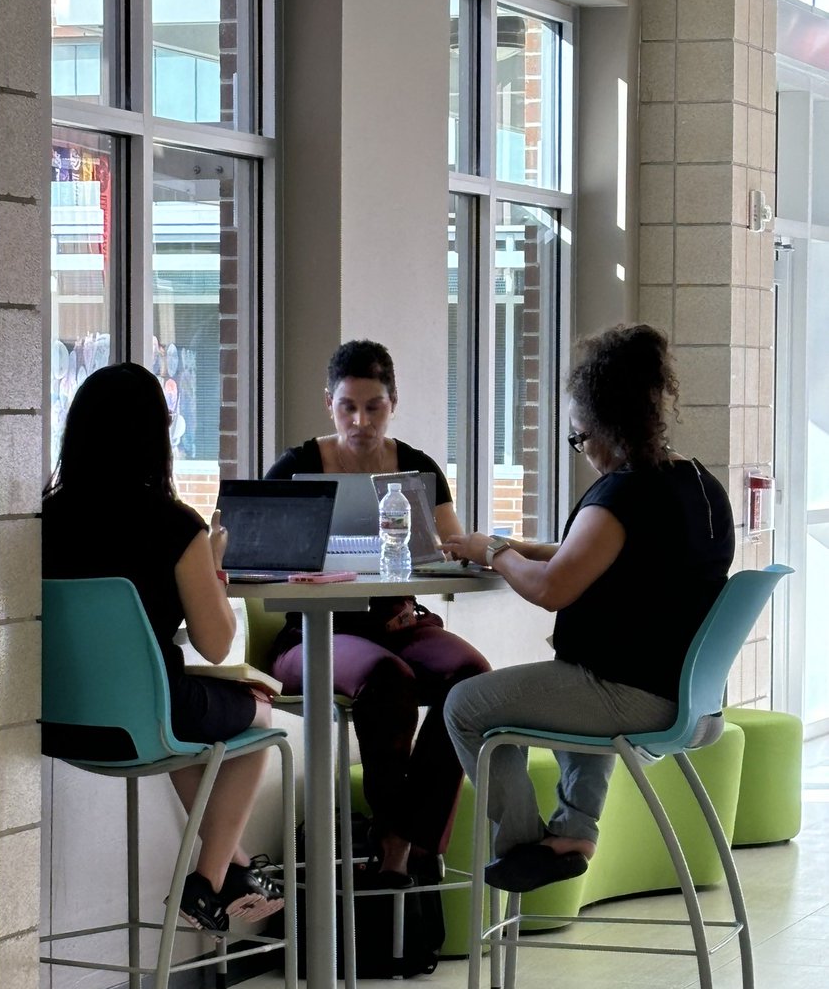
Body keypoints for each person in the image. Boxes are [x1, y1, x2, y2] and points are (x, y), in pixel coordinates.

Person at [442, 324, 735, 893]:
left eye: (578, 439)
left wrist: (496, 550)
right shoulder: (695, 483)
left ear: (606, 426)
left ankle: (527, 847)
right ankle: (573, 831)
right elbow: (606, 558)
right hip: (690, 698)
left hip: (631, 696)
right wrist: (516, 547)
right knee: (573, 680)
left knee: (466, 707)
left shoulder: (622, 494)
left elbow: (553, 588)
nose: (580, 451)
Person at [42, 362, 284, 934]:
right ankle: (205, 883)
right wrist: (214, 565)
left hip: (57, 721)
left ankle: (236, 868)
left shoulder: (42, 518)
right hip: (148, 719)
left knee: (186, 731)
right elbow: (218, 643)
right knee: (258, 720)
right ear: (157, 436)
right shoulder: (177, 527)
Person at [266, 339, 490, 887]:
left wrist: (466, 548)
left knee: (472, 680)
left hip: (400, 623)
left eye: (374, 407)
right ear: (329, 404)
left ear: (394, 404)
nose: (360, 421)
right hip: (315, 634)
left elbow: (450, 546)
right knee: (388, 679)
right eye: (348, 407)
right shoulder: (297, 468)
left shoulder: (416, 468)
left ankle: (408, 838)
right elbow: (257, 554)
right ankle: (397, 844)